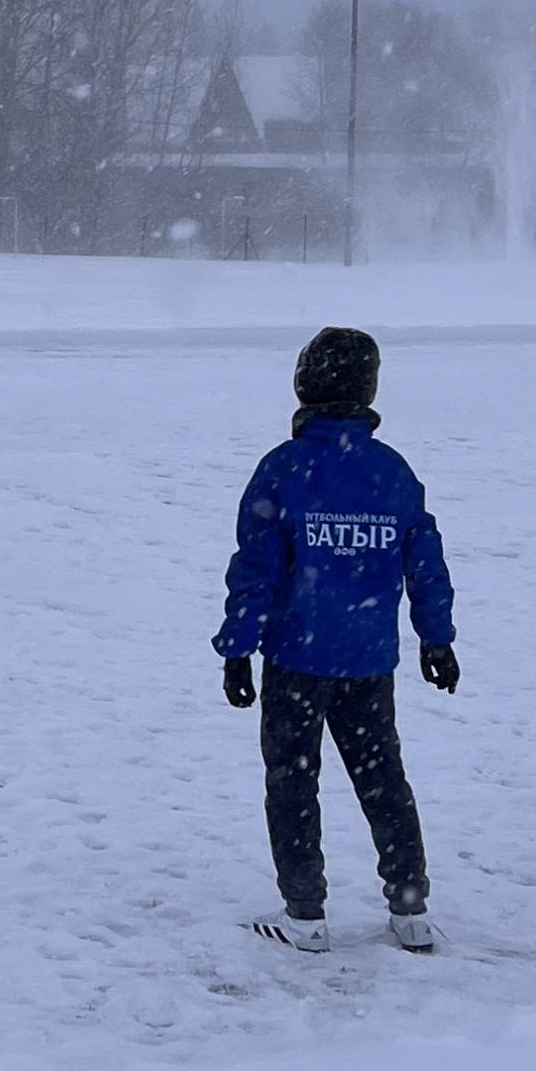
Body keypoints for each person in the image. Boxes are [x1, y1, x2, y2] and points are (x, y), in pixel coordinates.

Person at [214, 327, 457, 954]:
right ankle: (410, 908)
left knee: (293, 782)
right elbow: (425, 561)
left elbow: (257, 569)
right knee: (384, 780)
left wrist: (238, 649)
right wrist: (436, 639)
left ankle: (305, 916)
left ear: (306, 384)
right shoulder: (390, 470)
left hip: (297, 659)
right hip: (368, 660)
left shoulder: (285, 468)